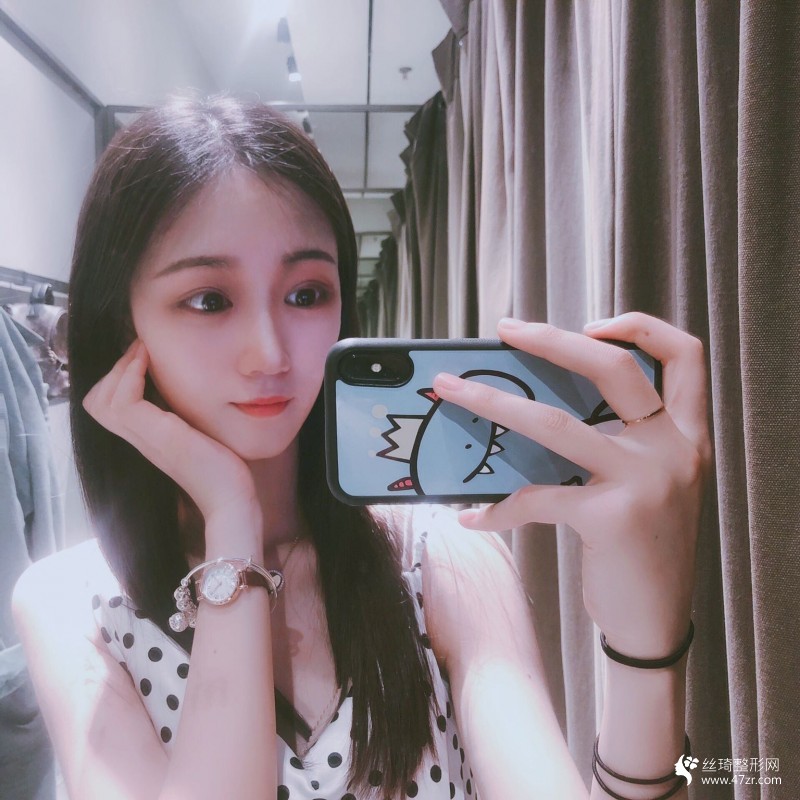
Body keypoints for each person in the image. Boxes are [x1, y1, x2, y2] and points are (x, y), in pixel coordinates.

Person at [11, 94, 711, 800]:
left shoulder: (436, 559)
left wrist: (647, 647)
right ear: (122, 323)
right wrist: (230, 519)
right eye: (209, 300)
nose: (270, 353)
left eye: (306, 293)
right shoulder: (75, 605)